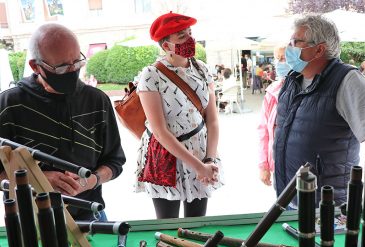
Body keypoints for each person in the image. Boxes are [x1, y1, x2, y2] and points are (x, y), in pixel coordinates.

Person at [0, 23, 126, 221]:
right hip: (28, 221)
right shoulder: (8, 105)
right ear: (36, 66)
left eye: (76, 62)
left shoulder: (97, 101)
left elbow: (114, 161)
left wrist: (92, 180)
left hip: (91, 215)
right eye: (61, 67)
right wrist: (35, 180)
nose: (72, 70)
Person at [274, 15, 365, 208]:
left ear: (319, 49)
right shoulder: (293, 79)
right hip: (289, 200)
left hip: (328, 207)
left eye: (295, 42)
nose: (288, 47)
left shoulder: (346, 80)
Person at [133, 12, 223, 219]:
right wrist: (198, 166)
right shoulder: (151, 75)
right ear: (166, 46)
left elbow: (212, 119)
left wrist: (209, 160)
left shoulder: (202, 70)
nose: (190, 40)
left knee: (197, 222)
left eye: (190, 33)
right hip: (165, 154)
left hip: (200, 150)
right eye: (182, 37)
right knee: (168, 224)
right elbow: (160, 131)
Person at [258, 45, 290, 188]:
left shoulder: (309, 88)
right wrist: (264, 165)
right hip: (277, 163)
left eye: (284, 58)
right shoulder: (272, 91)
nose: (279, 63)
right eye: (278, 59)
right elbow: (263, 130)